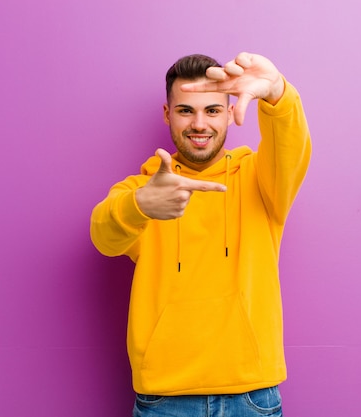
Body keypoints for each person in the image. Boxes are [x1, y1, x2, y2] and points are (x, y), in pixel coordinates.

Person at [90, 51, 311, 417]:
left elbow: (294, 149)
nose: (199, 124)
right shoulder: (145, 189)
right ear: (167, 114)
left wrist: (278, 94)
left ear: (228, 112)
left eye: (211, 110)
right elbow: (104, 236)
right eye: (185, 110)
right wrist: (140, 206)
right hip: (164, 398)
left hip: (251, 396)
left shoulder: (262, 180)